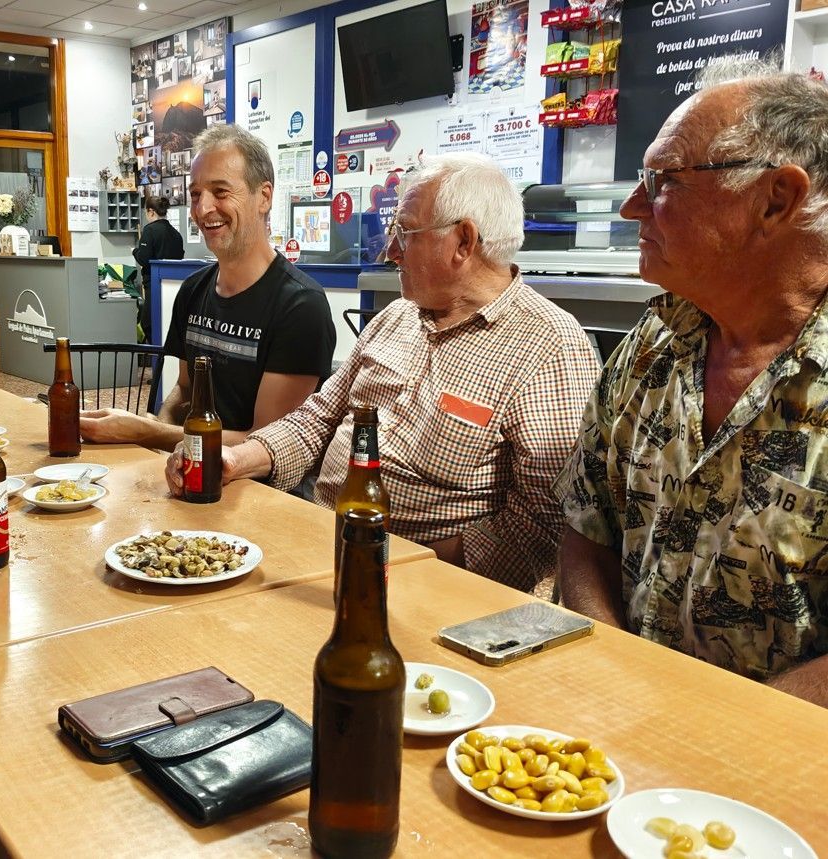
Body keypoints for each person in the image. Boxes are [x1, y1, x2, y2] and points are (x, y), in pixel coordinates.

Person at [168, 153, 600, 592]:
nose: (389, 252)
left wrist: (387, 554)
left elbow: (542, 523)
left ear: (464, 241)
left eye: (404, 233)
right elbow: (317, 419)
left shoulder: (549, 346)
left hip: (430, 585)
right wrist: (234, 460)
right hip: (318, 542)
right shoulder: (397, 317)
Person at [556, 58, 828, 707]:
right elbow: (584, 527)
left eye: (663, 179)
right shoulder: (654, 343)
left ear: (775, 200)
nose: (630, 206)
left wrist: (717, 737)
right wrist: (613, 672)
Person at [82, 124, 336, 453]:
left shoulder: (301, 306)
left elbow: (265, 444)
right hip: (191, 474)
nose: (202, 210)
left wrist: (145, 432)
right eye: (196, 194)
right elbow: (184, 393)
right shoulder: (192, 291)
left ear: (264, 197)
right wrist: (156, 444)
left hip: (259, 494)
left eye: (220, 192)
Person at [132, 194, 184, 343]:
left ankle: (157, 359)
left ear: (151, 211)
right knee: (167, 322)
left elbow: (143, 259)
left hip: (153, 285)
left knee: (148, 324)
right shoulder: (176, 234)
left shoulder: (149, 231)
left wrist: (134, 251)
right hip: (173, 286)